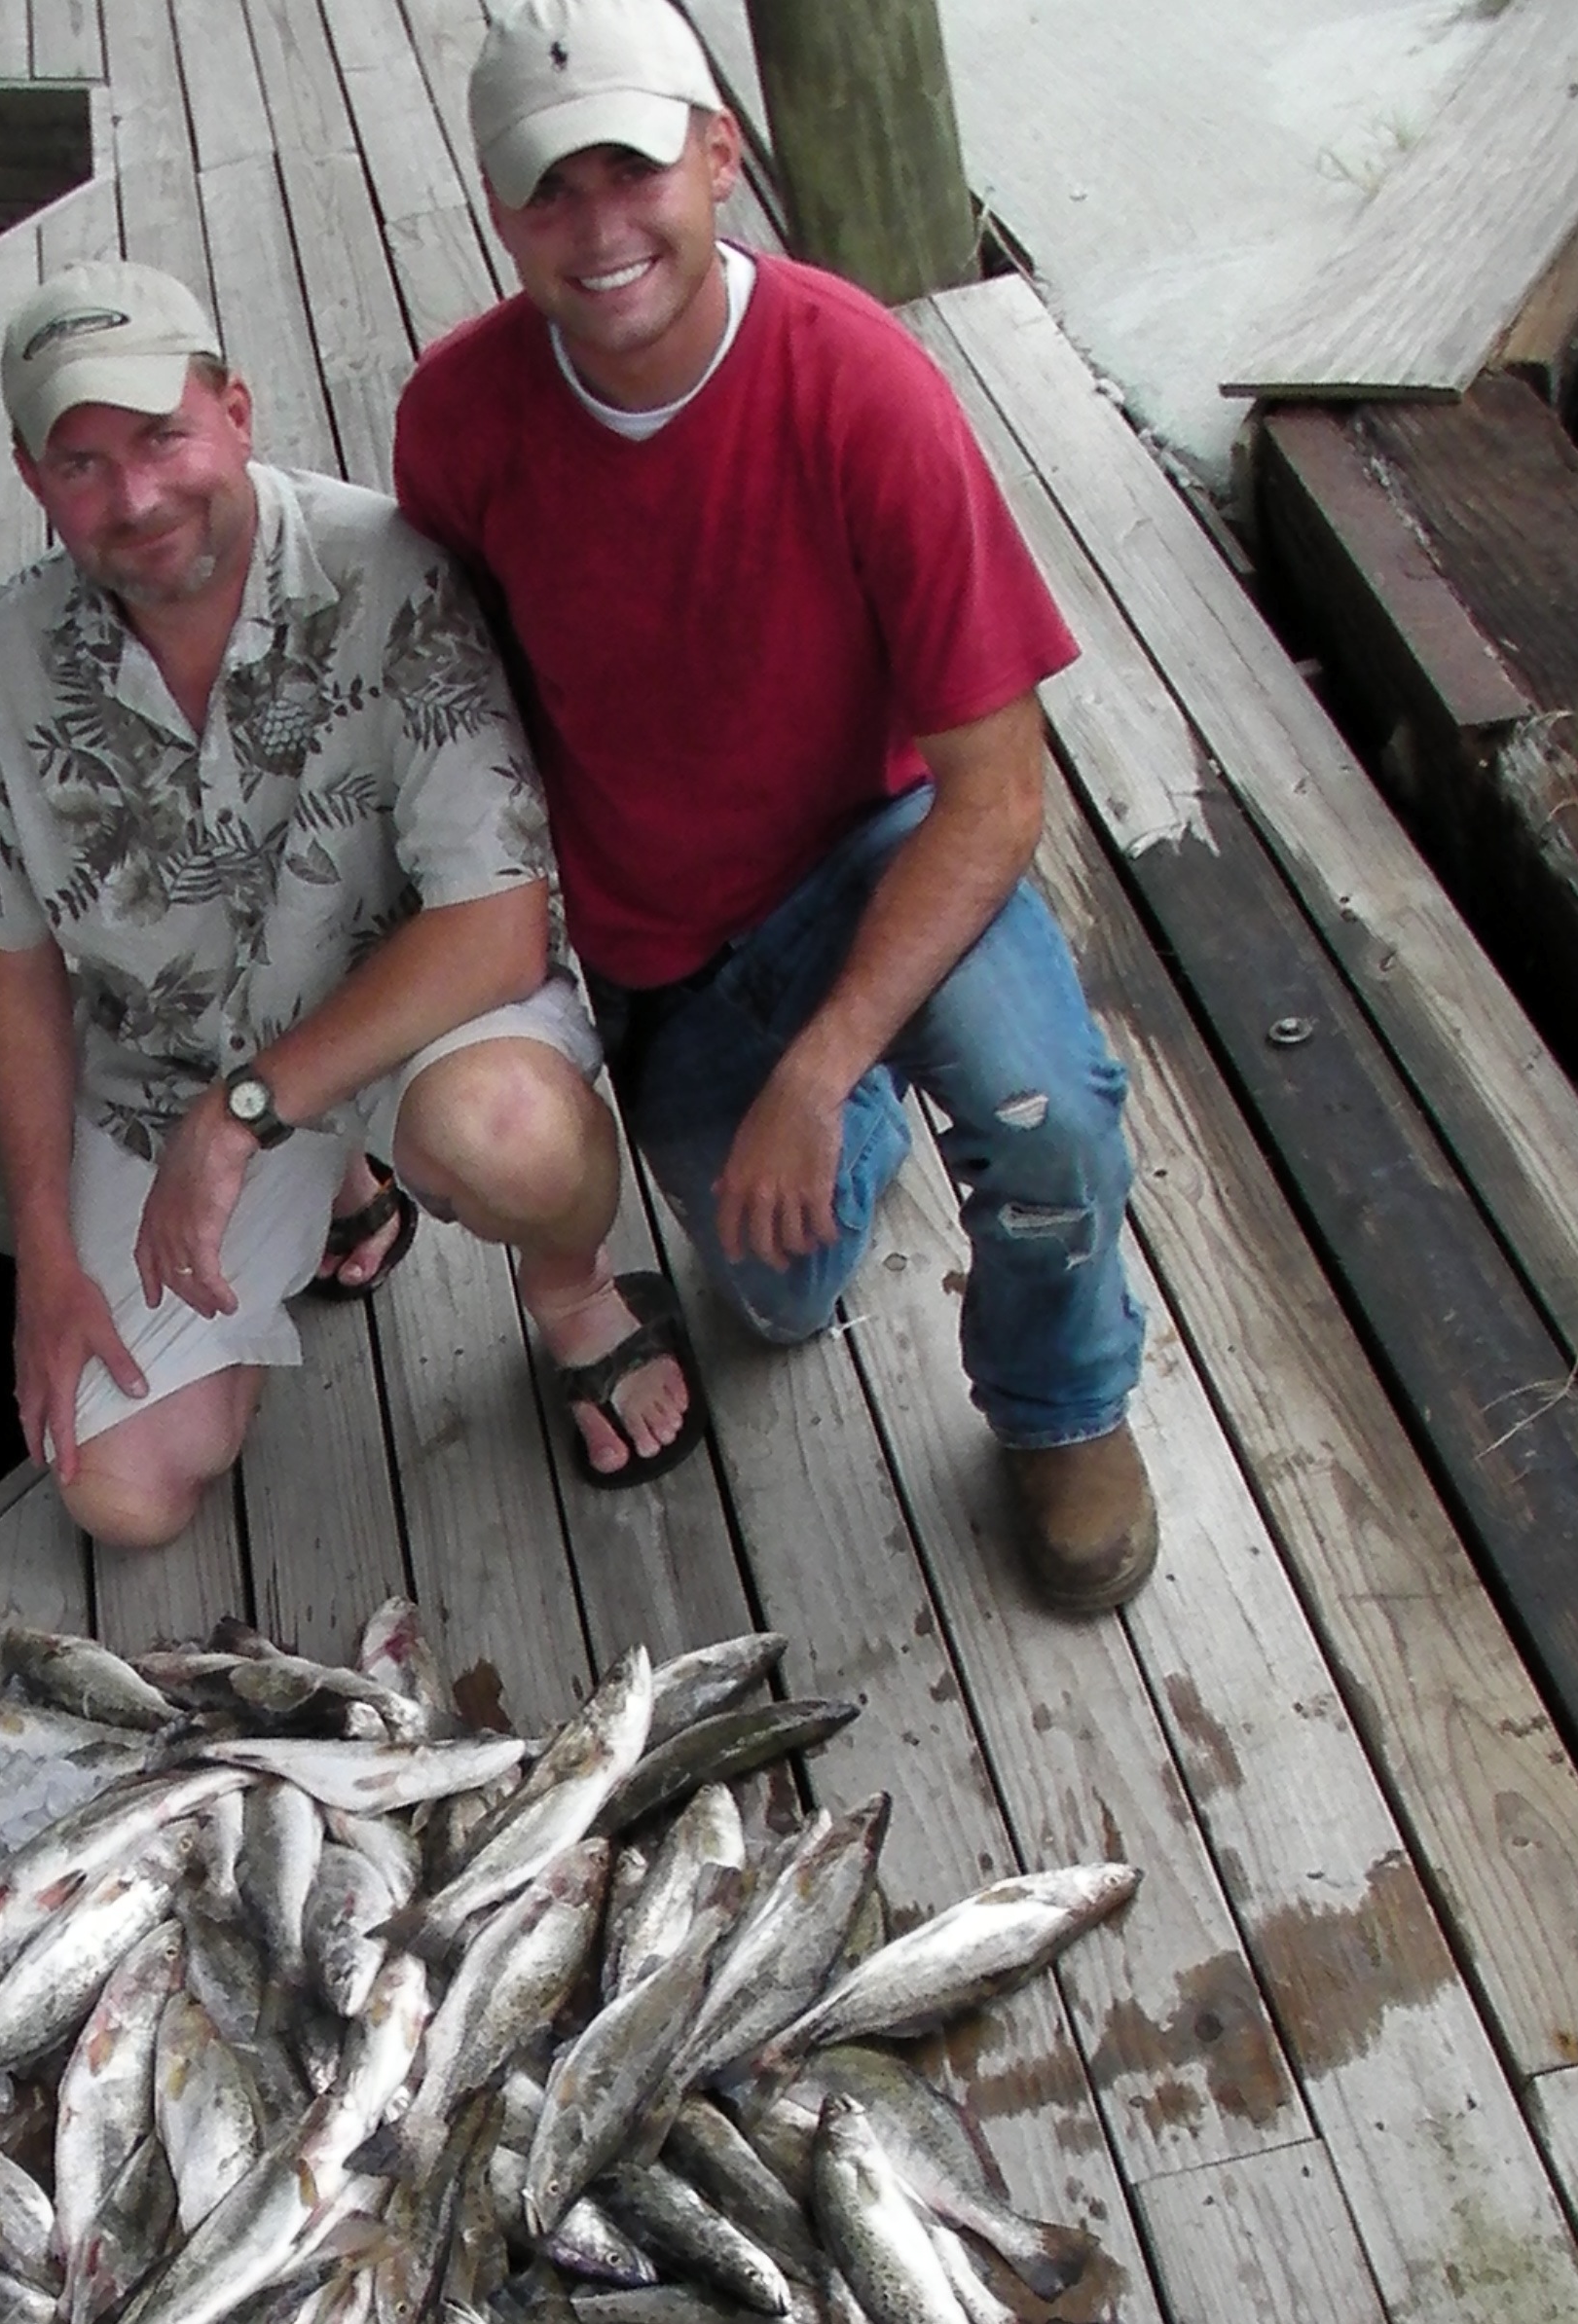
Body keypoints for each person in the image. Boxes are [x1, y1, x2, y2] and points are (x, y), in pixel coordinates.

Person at [391, 0, 1158, 1610]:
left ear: (720, 157)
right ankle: (862, 1105)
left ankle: (1062, 1406)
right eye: (550, 191)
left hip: (884, 845)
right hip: (660, 929)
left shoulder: (865, 389)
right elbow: (456, 710)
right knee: (780, 1295)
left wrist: (818, 1066)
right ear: (497, 209)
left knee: (1051, 1126)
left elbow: (998, 792)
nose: (600, 230)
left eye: (635, 170)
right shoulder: (457, 421)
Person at [0, 259, 711, 1550]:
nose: (135, 498)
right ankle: (339, 1188)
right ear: (30, 477)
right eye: (80, 464)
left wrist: (241, 1114)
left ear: (237, 412)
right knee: (121, 1495)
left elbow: (498, 918)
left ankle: (574, 1289)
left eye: (163, 437)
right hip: (171, 1064)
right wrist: (43, 1258)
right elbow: (12, 961)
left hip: (405, 1018)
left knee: (507, 1135)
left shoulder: (390, 573)